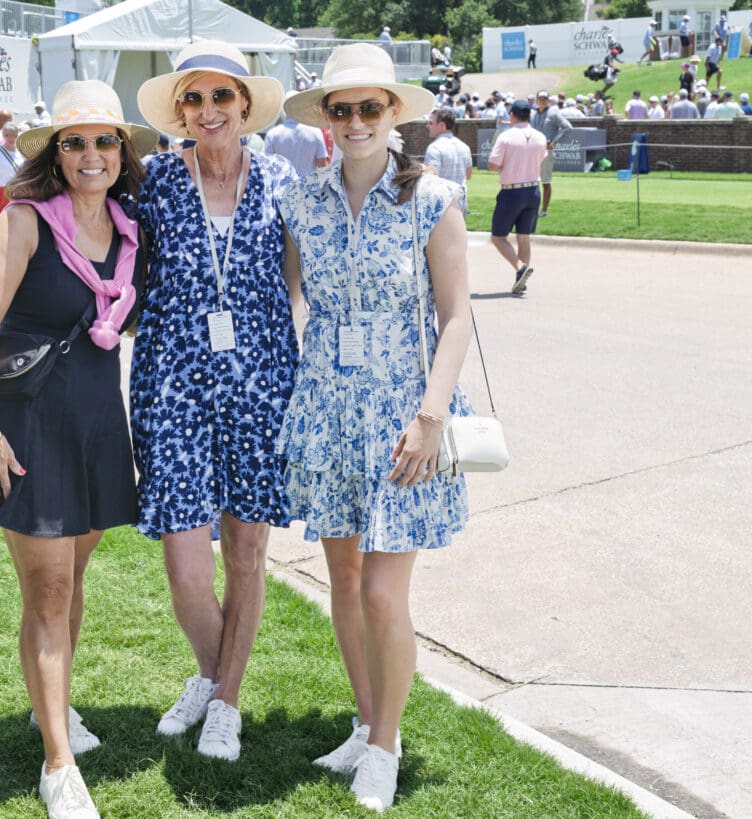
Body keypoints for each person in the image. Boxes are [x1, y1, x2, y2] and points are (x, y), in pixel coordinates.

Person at [0, 79, 155, 819]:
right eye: (75, 142)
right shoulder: (26, 220)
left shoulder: (130, 230)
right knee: (49, 590)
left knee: (75, 575)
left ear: (121, 152)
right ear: (56, 154)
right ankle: (58, 764)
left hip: (97, 425)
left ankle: (49, 707)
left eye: (103, 141)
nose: (91, 154)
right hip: (26, 427)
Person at [278, 42, 472, 813]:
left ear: (395, 114)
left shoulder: (433, 200)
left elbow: (455, 318)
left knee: (387, 593)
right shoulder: (302, 203)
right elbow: (288, 304)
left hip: (404, 417)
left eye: (371, 107)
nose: (356, 120)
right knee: (346, 582)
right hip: (328, 411)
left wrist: (430, 417)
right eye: (342, 108)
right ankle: (366, 721)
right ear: (325, 118)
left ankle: (386, 746)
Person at [131, 40, 298, 762]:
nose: (207, 112)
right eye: (193, 100)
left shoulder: (284, 178)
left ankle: (225, 701)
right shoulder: (158, 181)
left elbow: (298, 278)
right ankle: (210, 671)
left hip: (261, 384)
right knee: (187, 568)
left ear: (245, 105)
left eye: (220, 97)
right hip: (172, 384)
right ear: (179, 111)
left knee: (247, 554)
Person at [487, 99, 546, 294]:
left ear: (512, 115)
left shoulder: (506, 136)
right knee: (524, 236)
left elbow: (493, 165)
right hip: (533, 189)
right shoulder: (540, 136)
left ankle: (520, 268)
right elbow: (542, 158)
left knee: (498, 237)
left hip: (512, 190)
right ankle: (521, 279)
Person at [263, 92, 329, 176]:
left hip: (282, 187)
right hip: (308, 186)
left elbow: (266, 165)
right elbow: (322, 164)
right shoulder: (315, 132)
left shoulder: (272, 134)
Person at [530, 90, 571, 218]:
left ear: (548, 100)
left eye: (544, 98)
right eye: (540, 98)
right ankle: (531, 209)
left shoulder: (553, 113)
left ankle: (544, 210)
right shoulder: (532, 114)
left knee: (545, 181)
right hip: (532, 151)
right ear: (537, 100)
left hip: (547, 151)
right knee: (531, 181)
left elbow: (567, 127)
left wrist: (554, 141)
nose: (542, 100)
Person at [424, 107, 471, 213]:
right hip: (461, 202)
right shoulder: (465, 146)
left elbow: (430, 179)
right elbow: (468, 175)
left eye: (431, 123)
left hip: (441, 204)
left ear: (442, 125)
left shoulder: (434, 148)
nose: (427, 126)